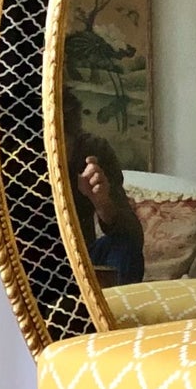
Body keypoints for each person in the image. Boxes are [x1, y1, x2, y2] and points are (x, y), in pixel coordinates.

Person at [62, 89, 145, 286]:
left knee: (125, 246)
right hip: (24, 258)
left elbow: (133, 236)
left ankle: (113, 304)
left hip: (80, 259)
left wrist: (103, 203)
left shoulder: (93, 151)